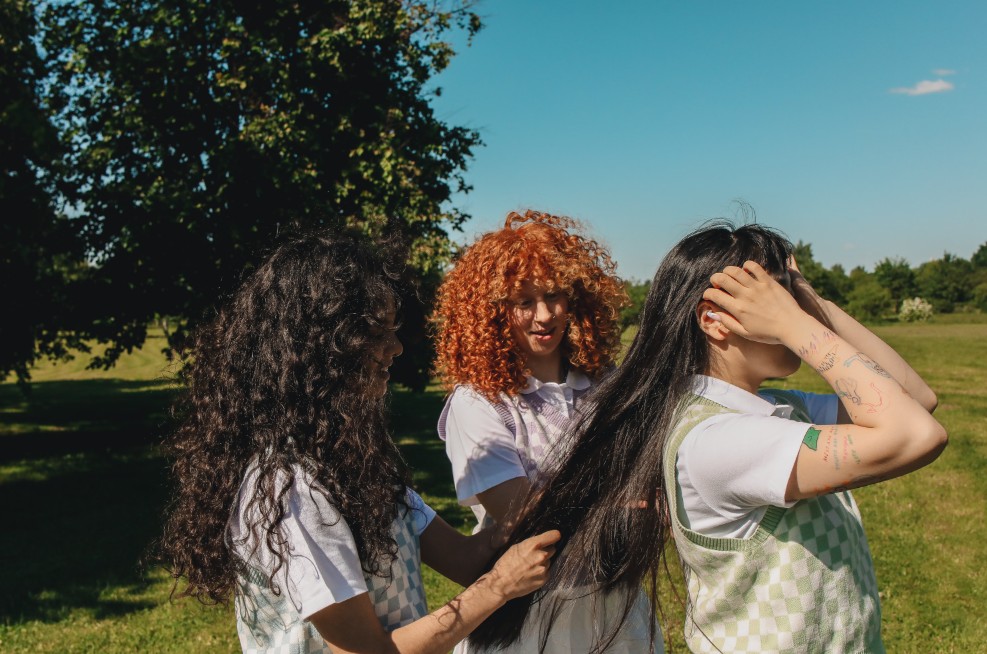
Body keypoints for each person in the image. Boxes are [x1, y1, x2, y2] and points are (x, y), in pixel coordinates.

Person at [470, 221, 946, 653]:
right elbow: (916, 435)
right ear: (714, 320)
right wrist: (795, 325)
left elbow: (915, 399)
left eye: (789, 299)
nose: (790, 311)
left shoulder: (785, 409)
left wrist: (813, 305)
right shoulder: (717, 440)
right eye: (774, 301)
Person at [158, 230, 560, 654]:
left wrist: (548, 491)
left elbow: (465, 558)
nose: (397, 347)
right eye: (377, 332)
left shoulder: (356, 467)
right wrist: (497, 588)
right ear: (319, 349)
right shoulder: (292, 490)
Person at [432, 210, 662, 652]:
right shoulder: (479, 402)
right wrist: (625, 502)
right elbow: (524, 515)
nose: (544, 315)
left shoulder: (605, 383)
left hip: (618, 609)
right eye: (523, 301)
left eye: (554, 295)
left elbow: (654, 474)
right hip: (529, 618)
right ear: (494, 311)